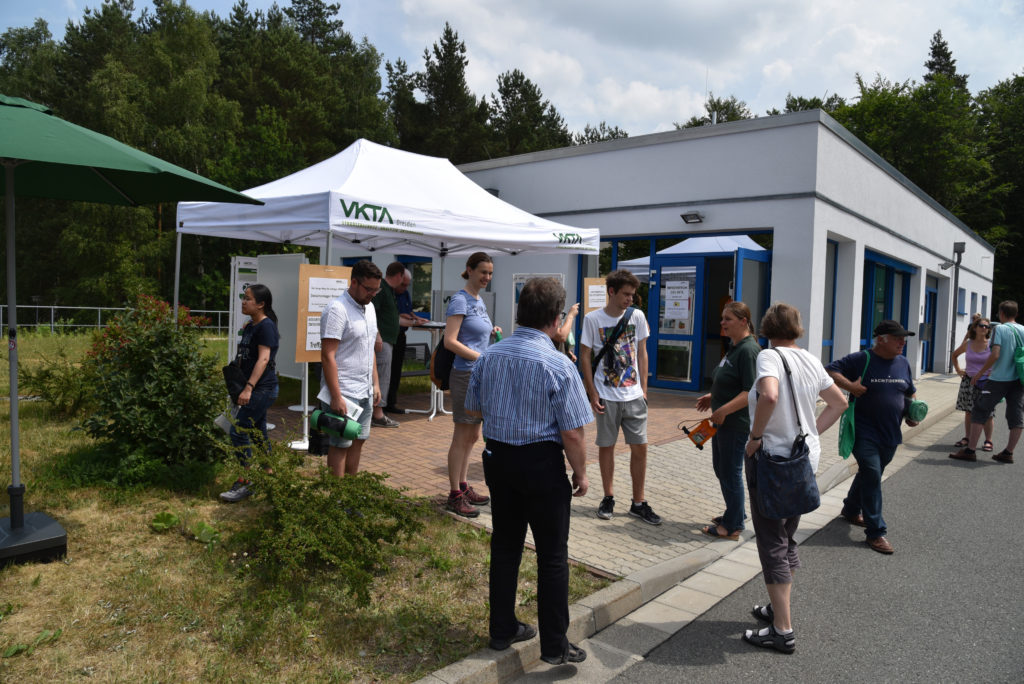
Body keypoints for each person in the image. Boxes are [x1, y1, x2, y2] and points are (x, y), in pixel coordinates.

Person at [466, 277, 592, 666]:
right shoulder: (558, 364)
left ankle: (501, 630)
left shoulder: (488, 357)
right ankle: (554, 646)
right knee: (552, 556)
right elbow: (572, 432)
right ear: (556, 320)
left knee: (505, 546)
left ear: (519, 313)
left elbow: (474, 409)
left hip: (499, 460)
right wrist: (581, 473)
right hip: (541, 464)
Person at [741, 303, 847, 653]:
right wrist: (813, 433)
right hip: (804, 459)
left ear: (768, 329)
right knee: (786, 535)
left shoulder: (769, 357)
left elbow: (769, 395)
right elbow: (839, 402)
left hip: (773, 459)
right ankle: (777, 608)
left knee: (771, 540)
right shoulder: (811, 359)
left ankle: (783, 630)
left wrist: (755, 437)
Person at [828, 320, 920, 554]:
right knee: (871, 472)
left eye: (904, 338)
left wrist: (913, 412)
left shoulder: (903, 362)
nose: (903, 342)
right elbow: (829, 370)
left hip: (890, 432)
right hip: (863, 430)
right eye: (898, 337)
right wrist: (851, 386)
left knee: (871, 473)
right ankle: (876, 532)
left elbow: (910, 391)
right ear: (881, 339)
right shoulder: (862, 359)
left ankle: (850, 509)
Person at [579, 270, 661, 525]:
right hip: (606, 395)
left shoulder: (636, 316)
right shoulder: (593, 319)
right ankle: (608, 497)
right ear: (611, 292)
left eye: (632, 295)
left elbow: (642, 353)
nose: (630, 299)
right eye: (625, 294)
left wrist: (645, 389)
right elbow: (584, 357)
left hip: (634, 394)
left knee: (640, 446)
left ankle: (638, 502)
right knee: (607, 446)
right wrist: (592, 393)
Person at [696, 301, 760, 539]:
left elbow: (750, 391)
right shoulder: (735, 347)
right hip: (723, 422)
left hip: (736, 424)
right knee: (721, 469)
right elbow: (732, 382)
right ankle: (735, 512)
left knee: (730, 471)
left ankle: (732, 526)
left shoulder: (749, 350)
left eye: (728, 319)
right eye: (722, 318)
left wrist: (724, 410)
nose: (722, 322)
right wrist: (714, 396)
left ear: (743, 321)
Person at [444, 252, 502, 517]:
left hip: (478, 375)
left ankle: (464, 485)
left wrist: (490, 332)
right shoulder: (459, 300)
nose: (487, 277)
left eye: (490, 273)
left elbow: (473, 333)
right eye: (483, 272)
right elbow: (451, 341)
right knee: (462, 435)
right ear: (469, 270)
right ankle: (455, 494)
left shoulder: (479, 300)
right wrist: (481, 356)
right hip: (466, 374)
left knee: (473, 435)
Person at [319, 260, 382, 477]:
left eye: (377, 289)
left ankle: (351, 495)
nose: (373, 294)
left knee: (358, 442)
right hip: (344, 392)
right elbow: (327, 356)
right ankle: (337, 501)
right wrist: (336, 397)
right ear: (354, 282)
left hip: (364, 390)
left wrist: (375, 383)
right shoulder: (337, 309)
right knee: (340, 445)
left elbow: (369, 348)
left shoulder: (370, 308)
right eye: (369, 289)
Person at [220, 284, 280, 503]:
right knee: (258, 433)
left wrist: (248, 388)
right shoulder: (250, 326)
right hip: (251, 388)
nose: (243, 302)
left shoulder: (266, 326)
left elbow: (264, 359)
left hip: (262, 389)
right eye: (243, 298)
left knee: (238, 432)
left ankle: (246, 480)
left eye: (248, 299)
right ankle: (270, 477)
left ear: (261, 304)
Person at [951, 300, 1024, 464]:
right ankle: (1008, 452)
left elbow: (995, 354)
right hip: (1018, 380)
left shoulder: (1000, 329)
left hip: (998, 378)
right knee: (1016, 415)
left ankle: (970, 450)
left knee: (980, 410)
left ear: (1001, 314)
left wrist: (980, 373)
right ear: (1016, 314)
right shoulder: (1023, 329)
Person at [385, 269, 427, 414]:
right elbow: (388, 314)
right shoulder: (388, 293)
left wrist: (416, 318)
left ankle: (391, 403)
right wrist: (399, 316)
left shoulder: (405, 293)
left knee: (396, 371)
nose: (404, 288)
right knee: (386, 371)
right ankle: (382, 404)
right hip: (388, 337)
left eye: (407, 285)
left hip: (401, 336)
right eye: (403, 285)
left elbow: (408, 311)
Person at [950, 317, 995, 452]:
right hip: (968, 382)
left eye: (986, 326)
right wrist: (958, 370)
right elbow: (954, 355)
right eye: (981, 325)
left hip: (985, 383)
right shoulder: (968, 343)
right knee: (969, 412)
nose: (984, 328)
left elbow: (997, 361)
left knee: (988, 413)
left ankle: (988, 440)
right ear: (975, 327)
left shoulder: (991, 345)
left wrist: (992, 375)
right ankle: (967, 438)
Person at [369, 262, 405, 429]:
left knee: (383, 375)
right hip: (382, 341)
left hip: (387, 340)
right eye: (403, 278)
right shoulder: (382, 289)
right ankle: (378, 414)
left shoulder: (387, 290)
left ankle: (376, 411)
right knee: (383, 375)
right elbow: (372, 311)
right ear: (398, 275)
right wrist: (377, 334)